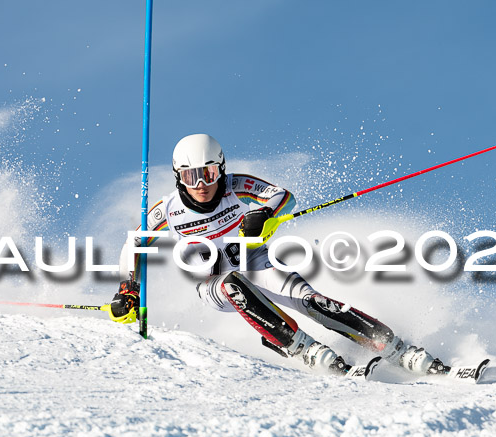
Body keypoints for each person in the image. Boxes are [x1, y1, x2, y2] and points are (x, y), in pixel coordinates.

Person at [109, 134, 448, 377]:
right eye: (190, 176)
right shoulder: (167, 210)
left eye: (208, 173)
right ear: (178, 177)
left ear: (221, 169)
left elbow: (283, 195)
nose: (201, 184)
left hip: (258, 263)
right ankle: (301, 347)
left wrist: (263, 212)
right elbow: (134, 244)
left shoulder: (235, 185)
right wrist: (129, 286)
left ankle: (395, 348)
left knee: (311, 300)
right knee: (232, 283)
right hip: (214, 283)